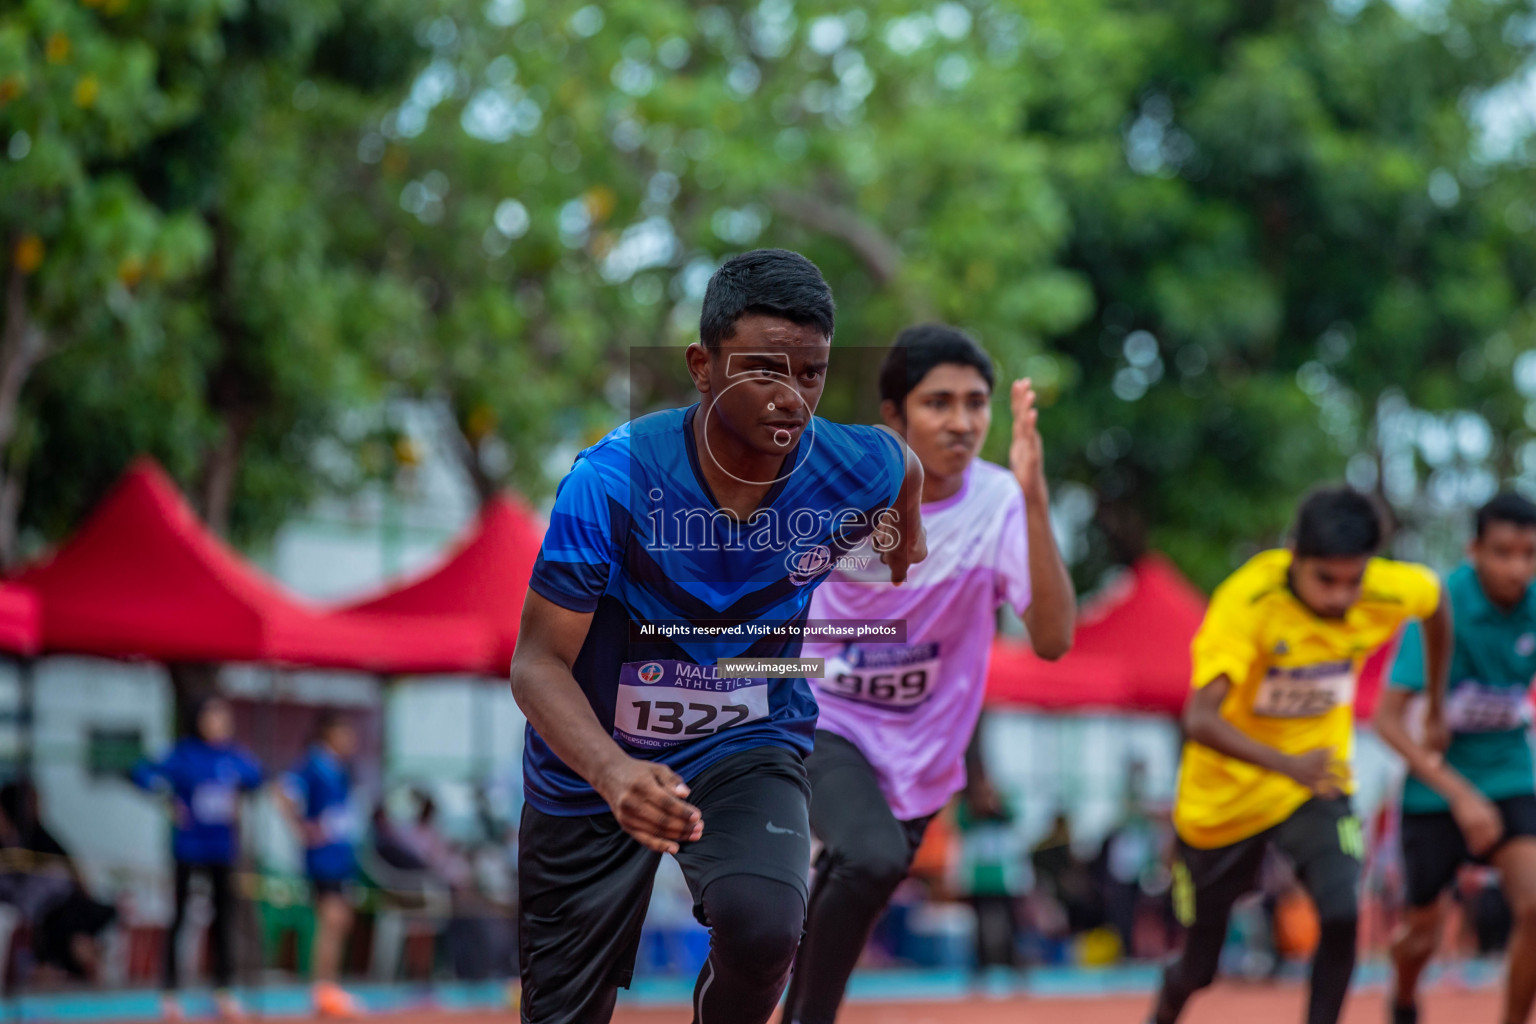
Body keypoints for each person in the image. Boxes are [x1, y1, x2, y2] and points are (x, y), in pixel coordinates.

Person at [508, 248, 926, 1024]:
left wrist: (905, 544)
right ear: (703, 367)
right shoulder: (612, 481)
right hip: (589, 764)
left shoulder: (847, 466)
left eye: (812, 374)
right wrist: (613, 773)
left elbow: (901, 465)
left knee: (765, 929)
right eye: (764, 370)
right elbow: (536, 663)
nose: (792, 399)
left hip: (746, 741)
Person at [781, 323, 1075, 1023]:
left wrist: (1035, 499)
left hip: (927, 751)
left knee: (863, 873)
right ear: (894, 414)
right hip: (826, 716)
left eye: (976, 403)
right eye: (938, 402)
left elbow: (1055, 640)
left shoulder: (1002, 502)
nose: (962, 421)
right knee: (871, 858)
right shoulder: (834, 486)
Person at [1148, 486, 1449, 1024]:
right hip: (1223, 800)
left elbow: (1436, 604)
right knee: (1200, 967)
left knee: (1340, 912)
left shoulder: (1390, 588)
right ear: (1294, 554)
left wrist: (1436, 701)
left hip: (1315, 782)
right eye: (1324, 580)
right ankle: (1162, 1014)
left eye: (1352, 580)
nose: (1339, 596)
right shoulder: (1247, 604)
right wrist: (1289, 765)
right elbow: (1199, 719)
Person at [1374, 491, 1536, 1024]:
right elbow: (1387, 722)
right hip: (1435, 782)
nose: (1518, 568)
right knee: (1422, 935)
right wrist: (1462, 797)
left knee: (1534, 908)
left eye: (1530, 554)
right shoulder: (1443, 609)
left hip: (1509, 769)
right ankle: (1402, 995)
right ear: (1474, 550)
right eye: (1503, 553)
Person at [131, 696, 263, 1019]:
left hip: (222, 849)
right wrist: (167, 798)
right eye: (212, 716)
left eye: (223, 716)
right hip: (189, 848)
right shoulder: (184, 754)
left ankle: (223, 991)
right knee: (181, 917)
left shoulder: (234, 754)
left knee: (224, 919)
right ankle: (171, 993)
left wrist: (241, 794)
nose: (218, 723)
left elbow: (257, 777)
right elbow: (141, 772)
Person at [280, 712, 362, 1017]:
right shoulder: (314, 764)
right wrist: (303, 828)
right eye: (346, 733)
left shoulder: (340, 768)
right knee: (331, 920)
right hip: (323, 859)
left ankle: (329, 987)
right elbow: (283, 792)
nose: (352, 741)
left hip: (342, 856)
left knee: (340, 921)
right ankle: (322, 989)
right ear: (329, 734)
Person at [0, 780, 117, 984]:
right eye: (32, 801)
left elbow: (71, 867)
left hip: (56, 905)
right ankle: (76, 954)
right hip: (39, 907)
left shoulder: (38, 834)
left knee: (75, 916)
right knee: (66, 922)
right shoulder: (13, 838)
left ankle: (76, 955)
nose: (38, 807)